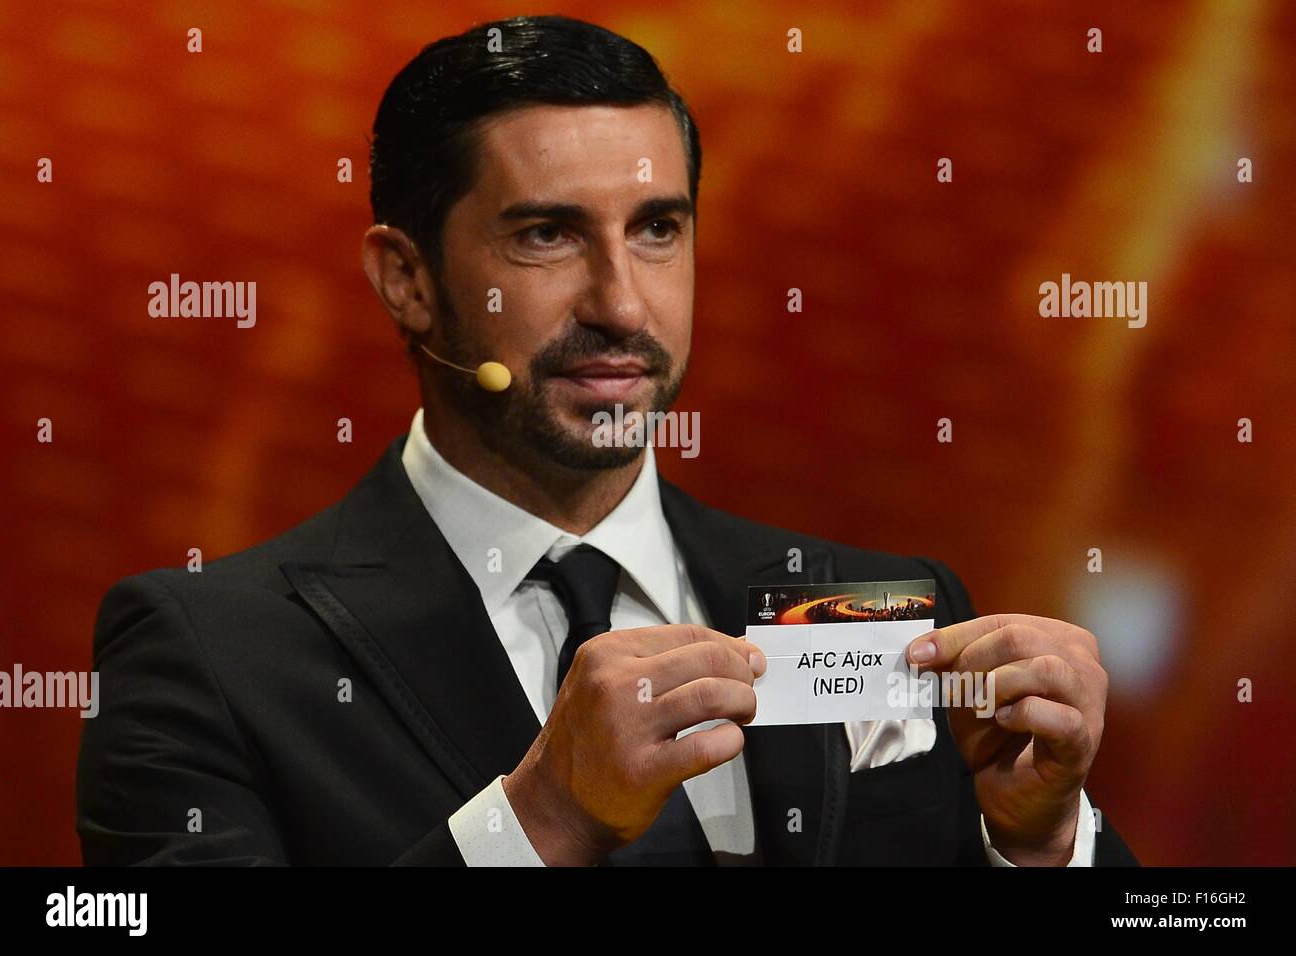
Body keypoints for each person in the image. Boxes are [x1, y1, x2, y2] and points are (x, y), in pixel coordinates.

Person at [77, 15, 1137, 867]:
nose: (622, 304)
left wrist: (1039, 841)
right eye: (546, 234)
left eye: (657, 229)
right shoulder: (210, 655)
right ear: (407, 279)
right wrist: (541, 822)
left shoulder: (881, 608)